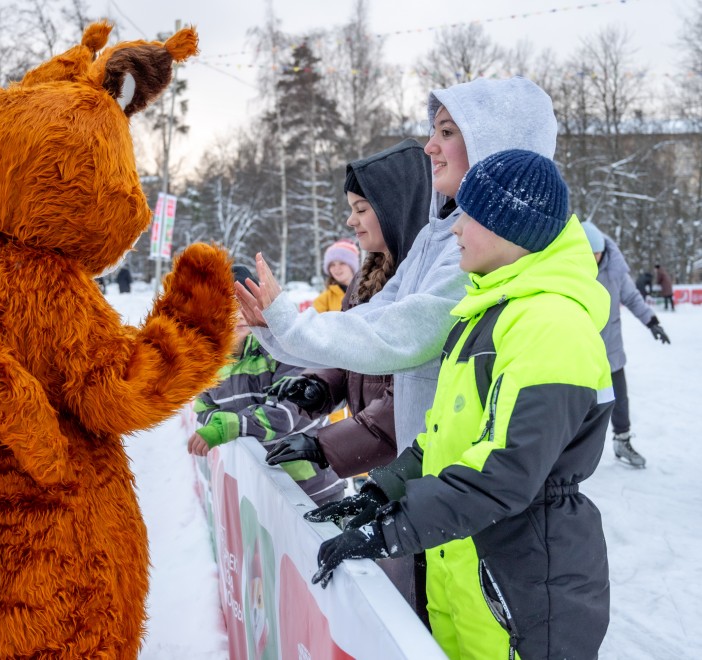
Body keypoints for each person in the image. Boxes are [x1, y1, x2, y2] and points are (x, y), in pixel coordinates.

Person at [310, 150, 614, 659]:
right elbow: (444, 437)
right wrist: (382, 493)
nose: (455, 229)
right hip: (466, 567)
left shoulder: (550, 325)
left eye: (469, 216)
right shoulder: (486, 313)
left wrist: (390, 531)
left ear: (510, 227)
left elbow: (505, 473)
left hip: (522, 585)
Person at [236, 76, 557, 455]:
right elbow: (375, 316)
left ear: (492, 143)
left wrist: (291, 327)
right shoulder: (435, 237)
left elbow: (405, 332)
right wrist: (279, 332)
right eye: (433, 131)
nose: (430, 146)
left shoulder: (486, 248)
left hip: (465, 472)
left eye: (447, 132)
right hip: (428, 466)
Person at [263, 138, 432, 617]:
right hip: (384, 473)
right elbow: (352, 346)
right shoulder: (369, 274)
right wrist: (321, 384)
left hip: (419, 475)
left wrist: (325, 446)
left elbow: (405, 405)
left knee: (415, 608)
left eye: (361, 209)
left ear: (395, 208)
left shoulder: (423, 287)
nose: (350, 221)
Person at [188, 265, 346, 506]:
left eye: (243, 304)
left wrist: (229, 425)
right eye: (226, 307)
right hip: (262, 490)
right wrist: (223, 423)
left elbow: (286, 413)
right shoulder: (209, 363)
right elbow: (202, 407)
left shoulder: (281, 348)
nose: (237, 314)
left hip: (313, 486)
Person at [582, 222, 670, 468]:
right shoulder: (571, 270)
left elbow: (632, 298)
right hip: (581, 350)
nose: (594, 258)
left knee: (619, 399)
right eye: (589, 253)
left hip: (611, 349)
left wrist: (652, 322)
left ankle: (622, 441)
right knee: (579, 403)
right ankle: (568, 450)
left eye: (597, 253)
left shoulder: (615, 270)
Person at [311, 239, 360, 312]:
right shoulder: (324, 299)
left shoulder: (367, 292)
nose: (337, 268)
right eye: (332, 264)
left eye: (342, 263)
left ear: (352, 266)